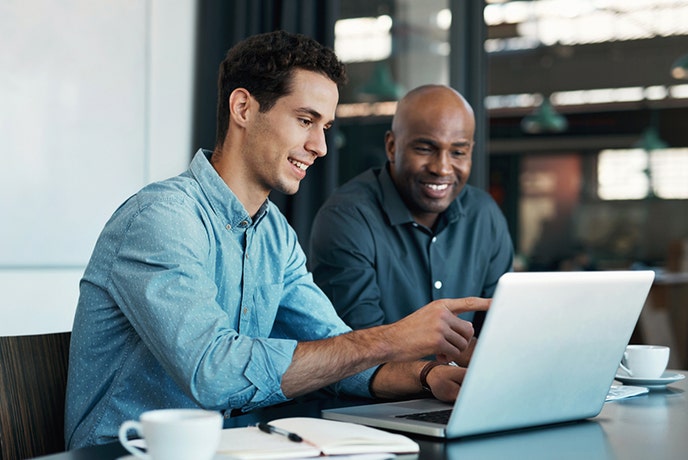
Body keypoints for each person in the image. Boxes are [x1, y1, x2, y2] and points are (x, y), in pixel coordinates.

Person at [64, 31, 489, 449]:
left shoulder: (274, 235)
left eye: (325, 126)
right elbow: (215, 374)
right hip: (125, 452)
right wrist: (391, 337)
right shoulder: (162, 219)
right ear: (244, 108)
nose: (320, 146)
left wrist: (427, 376)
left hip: (233, 448)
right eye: (305, 120)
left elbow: (339, 356)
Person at [308, 84, 514, 343]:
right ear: (392, 147)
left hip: (467, 383)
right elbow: (358, 349)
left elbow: (501, 330)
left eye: (458, 152)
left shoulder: (484, 215)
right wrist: (435, 375)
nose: (442, 168)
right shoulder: (347, 218)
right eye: (425, 149)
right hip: (382, 382)